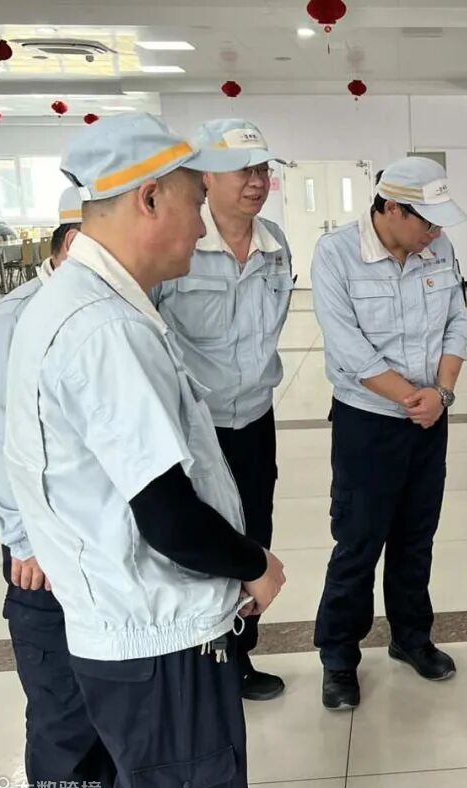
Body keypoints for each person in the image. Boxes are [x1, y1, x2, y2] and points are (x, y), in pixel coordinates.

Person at [3, 113, 287, 788]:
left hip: (125, 625)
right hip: (158, 641)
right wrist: (255, 563)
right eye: (195, 202)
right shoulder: (106, 330)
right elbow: (168, 515)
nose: (200, 225)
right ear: (150, 198)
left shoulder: (78, 299)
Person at [0, 188, 117, 788]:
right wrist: (23, 539)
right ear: (72, 243)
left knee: (113, 711)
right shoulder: (15, 318)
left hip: (106, 545)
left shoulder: (119, 303)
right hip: (46, 552)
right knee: (64, 720)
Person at [311, 156, 467, 711]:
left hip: (430, 417)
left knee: (416, 535)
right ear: (393, 209)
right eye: (428, 220)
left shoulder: (439, 248)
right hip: (368, 422)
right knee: (358, 541)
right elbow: (347, 346)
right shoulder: (336, 253)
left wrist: (440, 394)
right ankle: (338, 658)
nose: (437, 232)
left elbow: (457, 321)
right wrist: (410, 397)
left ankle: (411, 637)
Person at [151, 119, 292, 702]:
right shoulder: (178, 244)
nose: (256, 181)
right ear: (206, 176)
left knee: (254, 533)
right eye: (242, 170)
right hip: (195, 426)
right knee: (200, 538)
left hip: (255, 419)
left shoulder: (275, 244)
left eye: (262, 169)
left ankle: (239, 657)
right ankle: (196, 661)